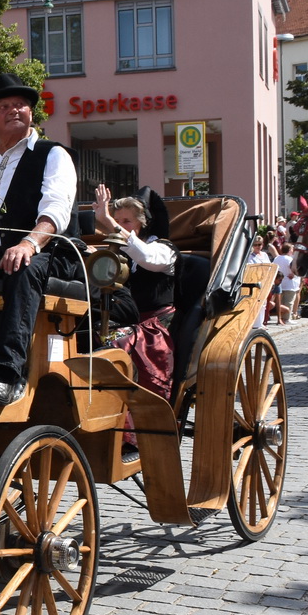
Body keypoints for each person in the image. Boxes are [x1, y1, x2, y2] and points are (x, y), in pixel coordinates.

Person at [0, 72, 80, 406]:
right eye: (4, 105)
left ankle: (8, 374)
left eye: (21, 104)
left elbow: (56, 211)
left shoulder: (53, 154)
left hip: (50, 252)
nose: (14, 110)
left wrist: (28, 244)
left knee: (22, 268)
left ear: (32, 113)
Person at [93, 185, 175, 455]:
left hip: (159, 323)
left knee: (121, 345)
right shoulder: (116, 252)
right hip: (125, 319)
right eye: (119, 221)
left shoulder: (165, 250)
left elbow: (147, 258)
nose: (121, 226)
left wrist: (109, 222)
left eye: (126, 221)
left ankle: (133, 433)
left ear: (142, 223)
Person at [272, 241, 301, 324]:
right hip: (290, 284)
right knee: (289, 302)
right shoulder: (290, 259)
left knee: (280, 302)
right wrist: (293, 275)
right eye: (292, 249)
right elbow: (295, 269)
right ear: (289, 250)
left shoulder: (277, 258)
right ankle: (287, 318)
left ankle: (281, 317)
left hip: (280, 283)